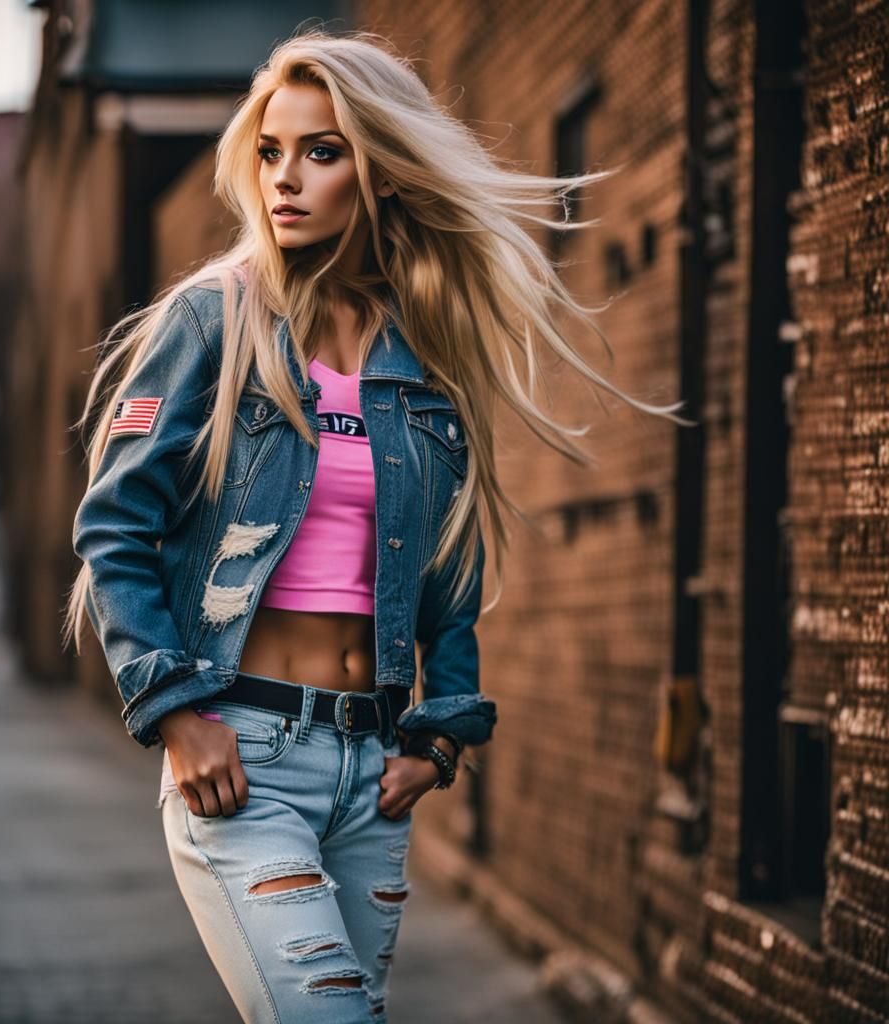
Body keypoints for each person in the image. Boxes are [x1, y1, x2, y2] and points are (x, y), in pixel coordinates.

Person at [63, 29, 688, 1024]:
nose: (286, 179)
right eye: (270, 152)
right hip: (244, 763)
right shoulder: (215, 322)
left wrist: (437, 736)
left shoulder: (425, 355)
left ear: (381, 170)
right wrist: (179, 717)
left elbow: (448, 565)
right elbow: (113, 529)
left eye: (322, 151)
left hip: (372, 776)